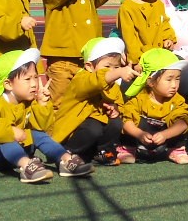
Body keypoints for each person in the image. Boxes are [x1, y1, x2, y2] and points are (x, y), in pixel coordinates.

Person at [0, 48, 93, 182]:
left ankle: (65, 160)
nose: (34, 84)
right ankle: (27, 167)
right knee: (6, 139)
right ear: (8, 84)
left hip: (15, 153)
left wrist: (42, 104)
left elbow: (42, 127)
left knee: (37, 134)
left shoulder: (28, 102)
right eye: (27, 79)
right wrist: (10, 131)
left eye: (35, 77)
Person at [39, 0, 118, 106]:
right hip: (61, 58)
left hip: (86, 57)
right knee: (58, 100)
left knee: (87, 100)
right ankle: (54, 130)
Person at [52, 37, 138, 165]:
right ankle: (68, 152)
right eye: (107, 66)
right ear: (89, 66)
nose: (112, 71)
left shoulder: (113, 85)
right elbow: (96, 81)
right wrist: (119, 71)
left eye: (116, 66)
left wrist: (115, 108)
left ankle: (101, 151)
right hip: (74, 130)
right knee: (93, 128)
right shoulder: (81, 78)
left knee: (116, 122)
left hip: (95, 125)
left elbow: (119, 103)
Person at [120, 48, 188, 164]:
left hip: (166, 141)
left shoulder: (177, 100)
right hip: (141, 140)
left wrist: (165, 134)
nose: (174, 85)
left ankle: (175, 150)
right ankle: (128, 149)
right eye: (169, 79)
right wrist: (139, 134)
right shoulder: (139, 98)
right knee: (135, 121)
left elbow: (183, 123)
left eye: (177, 79)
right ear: (151, 81)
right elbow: (126, 120)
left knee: (180, 121)